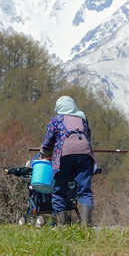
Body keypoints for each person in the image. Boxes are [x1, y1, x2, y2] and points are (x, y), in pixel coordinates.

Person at [40, 95, 97, 227]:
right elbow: (87, 136)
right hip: (85, 155)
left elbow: (47, 143)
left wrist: (45, 154)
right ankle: (86, 225)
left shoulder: (56, 120)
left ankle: (62, 226)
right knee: (84, 190)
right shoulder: (82, 120)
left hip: (64, 155)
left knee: (60, 189)